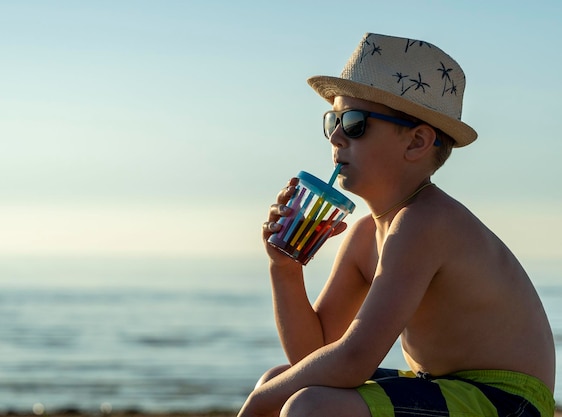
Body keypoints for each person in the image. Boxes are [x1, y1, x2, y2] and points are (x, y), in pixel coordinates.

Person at [237, 33, 556, 417]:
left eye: (354, 122)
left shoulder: (424, 221)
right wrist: (284, 268)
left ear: (417, 142)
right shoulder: (366, 235)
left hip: (506, 400)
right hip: (443, 388)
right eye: (332, 120)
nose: (336, 136)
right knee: (280, 378)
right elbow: (316, 354)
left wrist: (258, 405)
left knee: (309, 404)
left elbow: (353, 359)